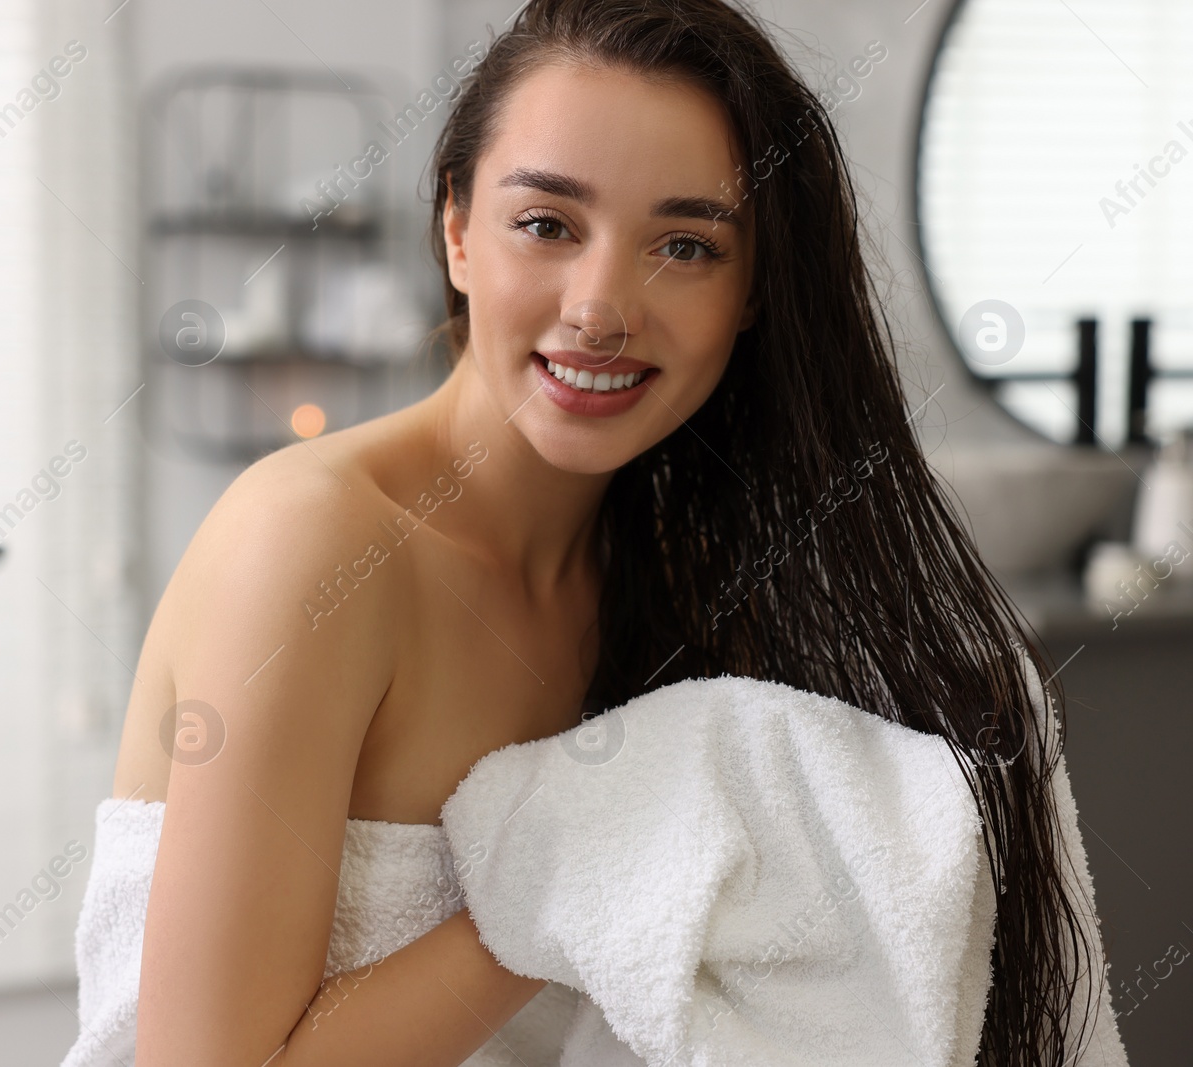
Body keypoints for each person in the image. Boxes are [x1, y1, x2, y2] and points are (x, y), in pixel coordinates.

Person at [109, 1, 1119, 1063]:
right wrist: (577, 867)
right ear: (455, 228)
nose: (599, 307)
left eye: (684, 245)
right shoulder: (311, 545)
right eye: (546, 224)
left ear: (750, 293)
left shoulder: (678, 573)